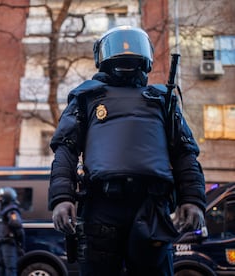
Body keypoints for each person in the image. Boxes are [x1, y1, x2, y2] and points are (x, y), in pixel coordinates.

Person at [48, 26, 206, 276]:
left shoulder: (162, 100)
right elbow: (65, 150)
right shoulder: (87, 97)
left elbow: (184, 153)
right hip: (102, 205)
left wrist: (193, 199)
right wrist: (62, 197)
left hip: (151, 205)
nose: (126, 51)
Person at [0, 187, 25, 276]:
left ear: (6, 198)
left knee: (10, 268)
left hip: (9, 243)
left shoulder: (11, 210)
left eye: (1, 197)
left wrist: (21, 244)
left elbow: (16, 224)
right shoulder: (6, 209)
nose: (0, 200)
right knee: (2, 266)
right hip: (3, 243)